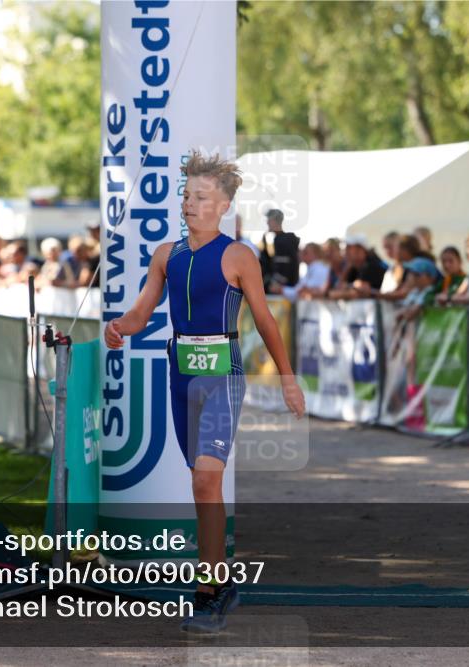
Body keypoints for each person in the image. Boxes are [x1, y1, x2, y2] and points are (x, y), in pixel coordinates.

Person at [104, 152, 304, 633]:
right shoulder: (165, 255)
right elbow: (142, 311)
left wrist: (287, 377)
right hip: (180, 373)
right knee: (201, 484)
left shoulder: (238, 256)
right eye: (186, 195)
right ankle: (221, 580)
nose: (190, 204)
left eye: (201, 197)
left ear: (224, 205)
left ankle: (207, 591)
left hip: (222, 374)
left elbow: (263, 318)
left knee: (205, 482)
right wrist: (120, 328)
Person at [327, 235, 387, 299]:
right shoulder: (353, 267)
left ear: (360, 250)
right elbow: (338, 287)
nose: (345, 251)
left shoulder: (372, 265)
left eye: (349, 247)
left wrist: (344, 290)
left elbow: (358, 293)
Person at [259, 208, 301, 291]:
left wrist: (275, 285)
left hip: (283, 291)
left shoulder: (283, 241)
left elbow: (285, 269)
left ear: (275, 221)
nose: (267, 222)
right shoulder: (277, 240)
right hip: (284, 289)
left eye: (269, 220)